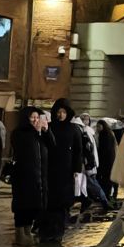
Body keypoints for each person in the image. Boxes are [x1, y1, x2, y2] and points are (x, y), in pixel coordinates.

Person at [43, 99, 84, 237]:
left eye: (64, 112)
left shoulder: (74, 129)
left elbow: (78, 151)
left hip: (66, 171)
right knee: (49, 201)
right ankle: (46, 229)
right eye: (58, 112)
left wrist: (76, 170)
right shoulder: (49, 127)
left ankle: (59, 230)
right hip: (50, 169)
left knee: (62, 203)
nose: (61, 115)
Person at [10, 107, 50, 243]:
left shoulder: (39, 134)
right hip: (23, 176)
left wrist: (46, 131)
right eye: (33, 117)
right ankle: (20, 234)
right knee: (22, 206)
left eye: (38, 117)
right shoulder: (19, 133)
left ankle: (28, 231)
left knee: (33, 206)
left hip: (38, 175)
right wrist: (36, 132)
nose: (36, 120)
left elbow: (52, 145)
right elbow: (23, 149)